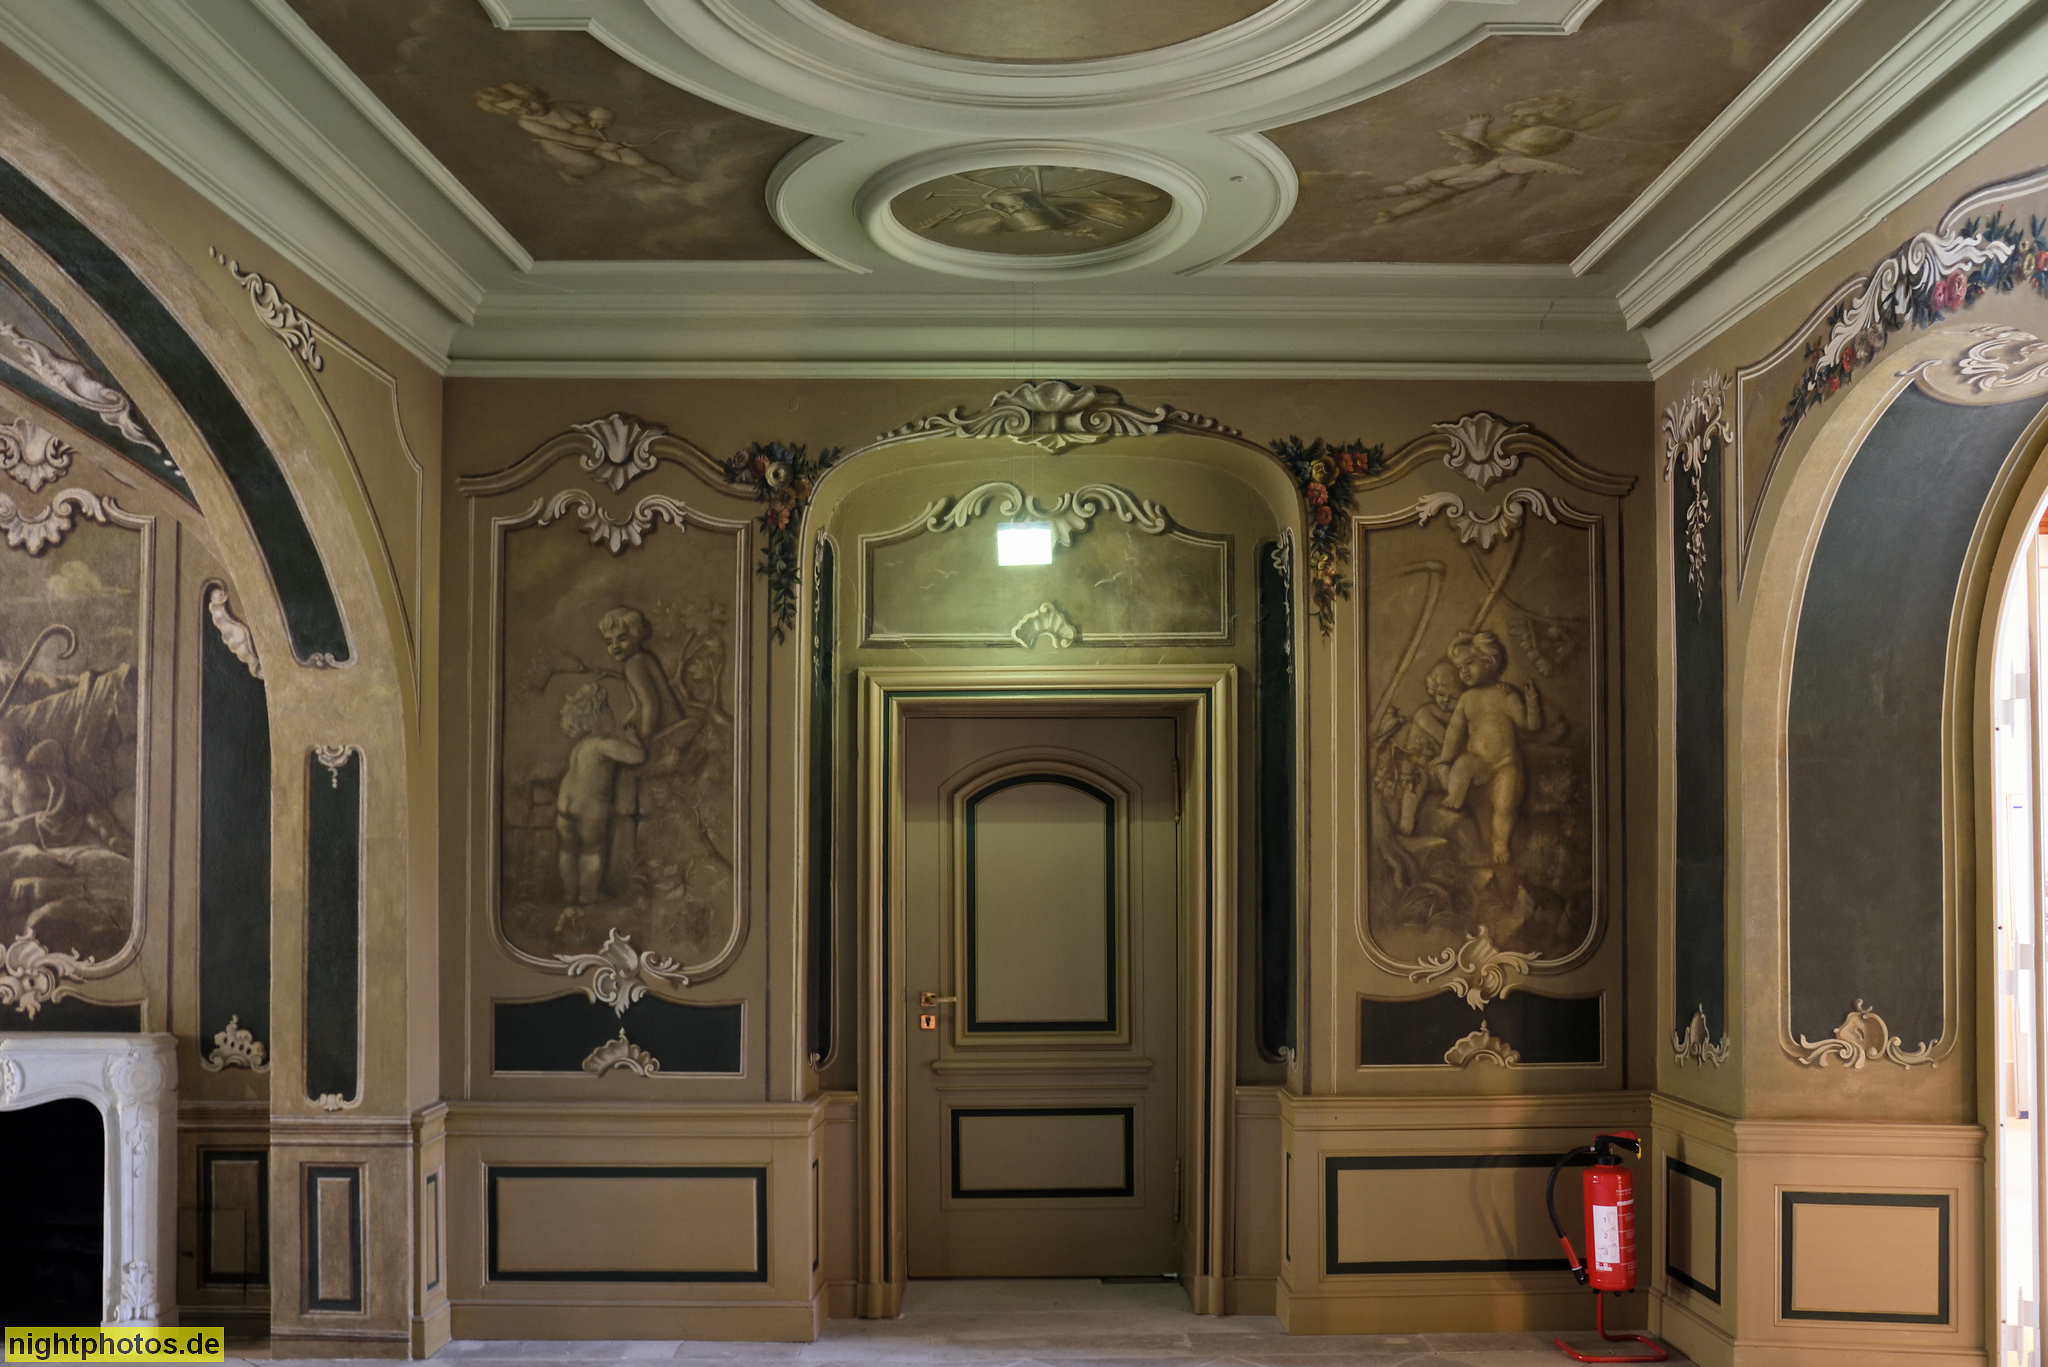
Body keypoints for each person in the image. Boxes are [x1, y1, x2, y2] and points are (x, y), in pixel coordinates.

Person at [1433, 631, 1543, 865]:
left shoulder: (1506, 695)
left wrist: (1532, 703)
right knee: (1462, 764)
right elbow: (1454, 732)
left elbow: (1530, 725)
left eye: (1469, 663)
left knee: (1505, 806)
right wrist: (1445, 757)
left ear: (1488, 661)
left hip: (1506, 764)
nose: (1463, 671)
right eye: (1459, 667)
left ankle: (1500, 842)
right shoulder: (1466, 699)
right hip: (1478, 761)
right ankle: (1455, 796)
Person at [553, 683, 645, 927]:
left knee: (567, 849)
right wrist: (632, 738)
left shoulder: (579, 747)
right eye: (607, 709)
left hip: (565, 807)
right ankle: (588, 893)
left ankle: (569, 894)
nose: (611, 714)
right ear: (597, 716)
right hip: (589, 811)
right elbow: (637, 756)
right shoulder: (604, 744)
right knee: (592, 849)